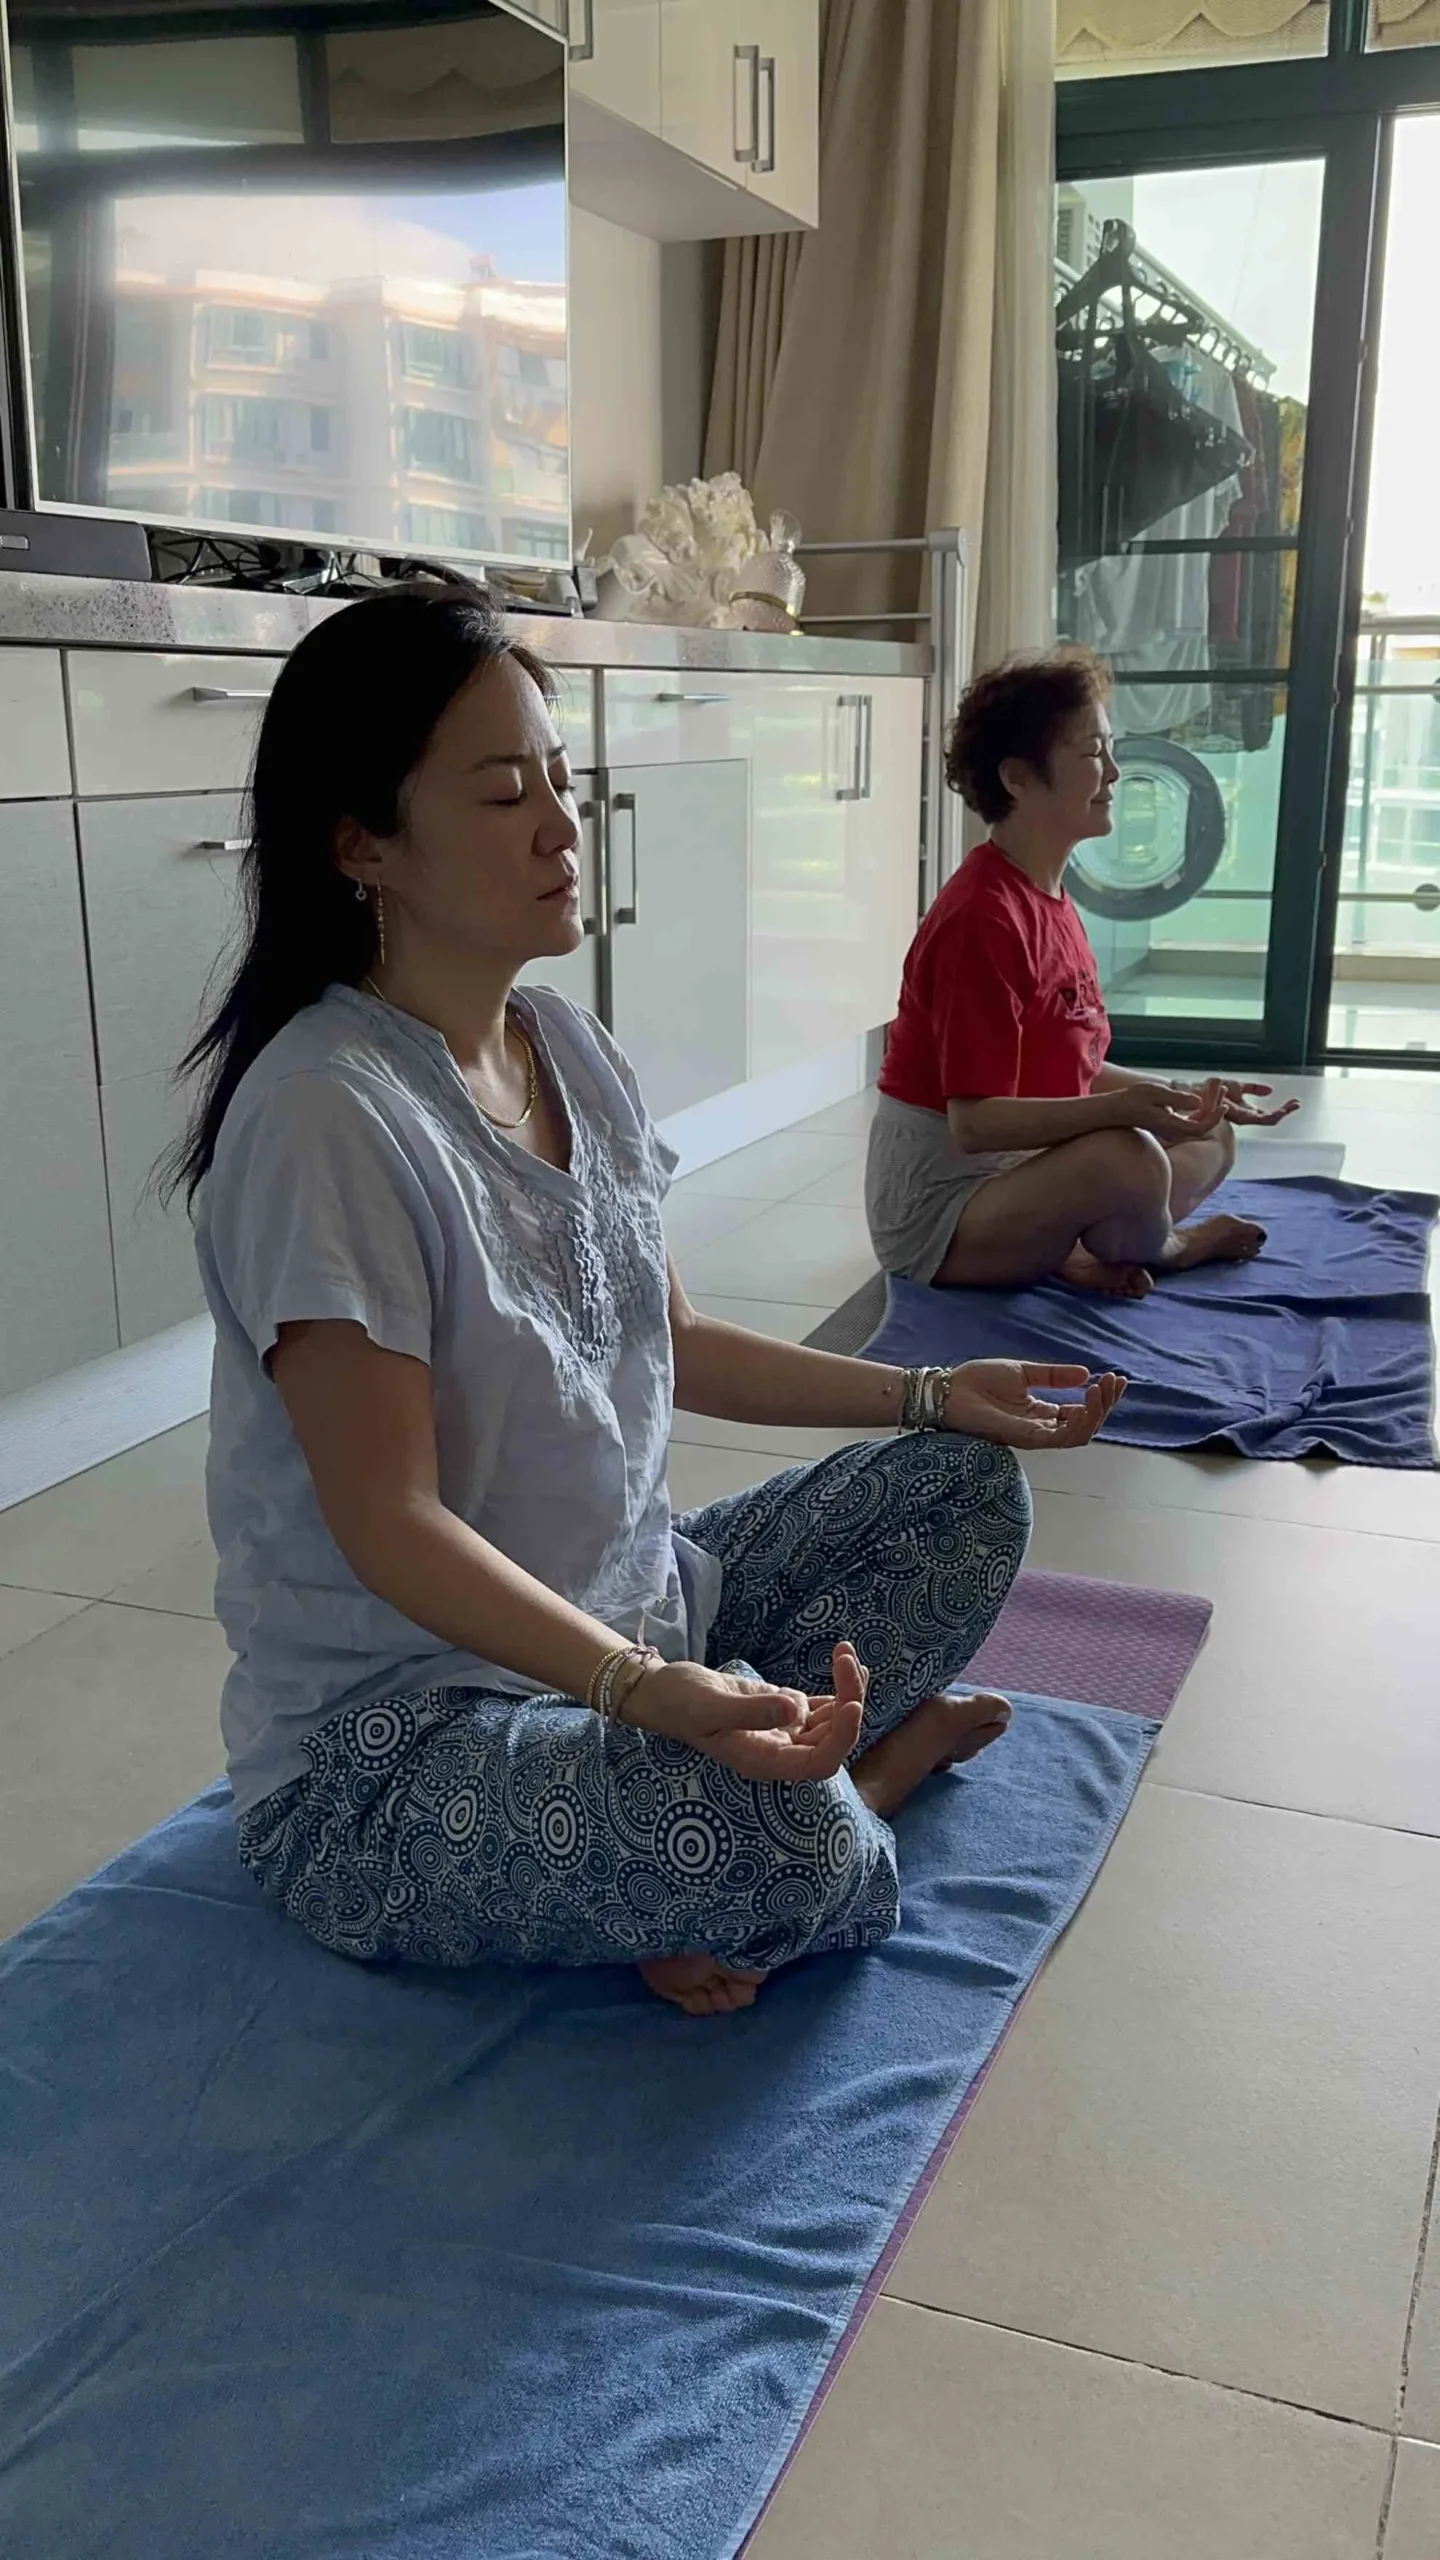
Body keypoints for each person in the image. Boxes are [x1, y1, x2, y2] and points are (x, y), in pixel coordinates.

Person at [171, 582, 1123, 2021]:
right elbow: (390, 1522)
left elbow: (671, 1340)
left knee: (965, 1488)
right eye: (505, 794)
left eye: (562, 779)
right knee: (779, 1837)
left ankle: (721, 1823)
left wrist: (931, 1392)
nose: (562, 826)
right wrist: (639, 1691)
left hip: (645, 1619)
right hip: (398, 1754)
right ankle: (845, 1794)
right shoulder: (325, 1116)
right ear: (361, 844)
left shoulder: (564, 1044)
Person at [866, 650, 1298, 1298]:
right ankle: (1170, 1247)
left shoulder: (1050, 896)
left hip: (1021, 1175)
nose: (1115, 772)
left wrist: (1179, 1095)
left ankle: (1083, 1248)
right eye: (1094, 753)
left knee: (1211, 1130)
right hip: (943, 1214)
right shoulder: (981, 919)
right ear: (1018, 778)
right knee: (1126, 1155)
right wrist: (1120, 1111)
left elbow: (1069, 1067)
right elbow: (973, 1124)